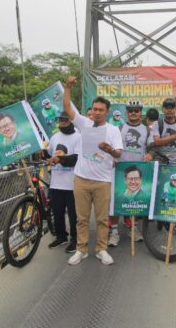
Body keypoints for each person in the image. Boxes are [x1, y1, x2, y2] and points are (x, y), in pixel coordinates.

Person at [63, 76, 123, 266]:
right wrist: (67, 88)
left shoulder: (113, 130)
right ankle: (81, 250)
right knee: (81, 218)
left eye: (100, 110)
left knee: (102, 219)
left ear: (107, 112)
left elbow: (119, 153)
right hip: (81, 179)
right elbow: (67, 109)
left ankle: (101, 249)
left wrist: (110, 150)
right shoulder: (84, 124)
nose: (97, 113)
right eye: (94, 109)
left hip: (103, 180)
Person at [109, 99, 154, 246]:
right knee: (116, 200)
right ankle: (114, 232)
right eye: (131, 110)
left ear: (140, 113)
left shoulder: (147, 130)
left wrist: (150, 155)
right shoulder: (118, 128)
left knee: (134, 201)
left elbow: (152, 147)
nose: (133, 113)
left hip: (138, 170)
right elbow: (112, 147)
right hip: (119, 170)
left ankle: (133, 228)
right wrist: (112, 157)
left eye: (137, 110)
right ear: (126, 113)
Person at [46, 111, 81, 253]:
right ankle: (61, 236)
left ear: (71, 121)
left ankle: (75, 239)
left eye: (65, 120)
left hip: (73, 184)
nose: (62, 122)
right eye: (60, 119)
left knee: (74, 215)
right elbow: (48, 153)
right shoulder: (54, 137)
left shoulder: (78, 137)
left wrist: (60, 159)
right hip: (56, 183)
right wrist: (42, 154)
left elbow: (77, 158)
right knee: (57, 213)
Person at [152, 98, 176, 166]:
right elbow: (157, 142)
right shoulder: (157, 124)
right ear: (163, 110)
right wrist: (174, 137)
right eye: (167, 108)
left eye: (172, 108)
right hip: (160, 164)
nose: (169, 110)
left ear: (175, 109)